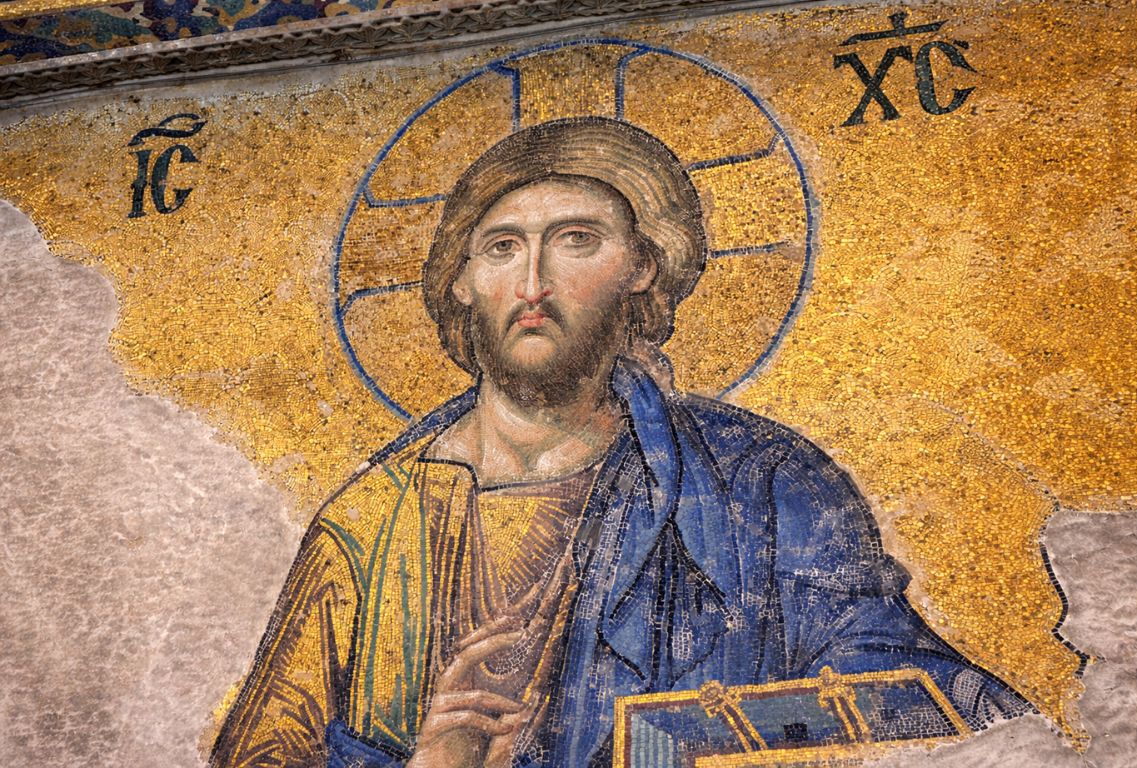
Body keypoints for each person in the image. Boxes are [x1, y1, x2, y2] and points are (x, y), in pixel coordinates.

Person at [211, 117, 1028, 768]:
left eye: (576, 240)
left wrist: (684, 742)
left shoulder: (762, 484)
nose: (532, 283)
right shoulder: (366, 527)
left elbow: (916, 700)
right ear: (461, 281)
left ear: (645, 265)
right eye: (502, 247)